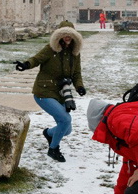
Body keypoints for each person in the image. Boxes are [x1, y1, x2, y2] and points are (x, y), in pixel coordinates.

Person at [14, 21, 85, 163]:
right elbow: (36, 59)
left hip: (61, 93)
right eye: (64, 35)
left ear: (74, 37)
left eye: (70, 35)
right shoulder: (50, 49)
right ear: (59, 36)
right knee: (65, 120)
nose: (67, 38)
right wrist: (25, 65)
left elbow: (76, 73)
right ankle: (53, 149)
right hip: (44, 92)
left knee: (67, 129)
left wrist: (79, 87)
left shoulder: (74, 54)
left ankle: (49, 133)